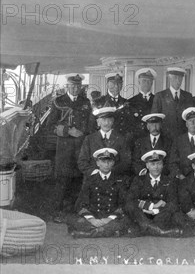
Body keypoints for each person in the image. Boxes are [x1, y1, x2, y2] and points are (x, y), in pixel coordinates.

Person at [46, 73, 94, 223]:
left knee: (78, 178)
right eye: (72, 85)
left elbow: (90, 123)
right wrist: (68, 131)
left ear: (81, 87)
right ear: (67, 86)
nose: (75, 88)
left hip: (81, 147)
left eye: (78, 86)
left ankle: (73, 211)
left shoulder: (85, 102)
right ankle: (56, 212)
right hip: (65, 148)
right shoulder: (58, 102)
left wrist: (86, 134)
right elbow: (50, 125)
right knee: (62, 179)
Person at [67, 148, 132, 238]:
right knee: (72, 219)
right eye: (103, 161)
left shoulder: (120, 181)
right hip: (94, 216)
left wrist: (108, 219)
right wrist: (92, 219)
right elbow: (81, 204)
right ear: (97, 163)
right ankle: (105, 231)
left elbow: (123, 204)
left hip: (111, 217)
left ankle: (89, 233)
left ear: (113, 163)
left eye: (109, 161)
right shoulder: (90, 180)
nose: (106, 164)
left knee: (126, 220)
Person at [126, 150, 185, 237]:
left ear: (163, 165)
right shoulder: (139, 180)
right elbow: (130, 200)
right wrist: (152, 206)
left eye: (159, 164)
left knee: (174, 210)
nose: (156, 167)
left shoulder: (169, 181)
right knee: (130, 206)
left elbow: (173, 203)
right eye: (152, 164)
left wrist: (155, 210)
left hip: (161, 215)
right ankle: (159, 231)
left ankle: (145, 228)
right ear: (147, 165)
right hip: (143, 214)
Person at [78, 107, 131, 177]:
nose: (106, 123)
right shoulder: (89, 139)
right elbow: (82, 162)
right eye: (104, 120)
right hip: (94, 178)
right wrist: (95, 172)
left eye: (109, 120)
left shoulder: (121, 139)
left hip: (115, 177)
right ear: (98, 122)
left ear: (113, 122)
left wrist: (111, 172)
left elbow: (126, 161)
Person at [151, 67, 194, 141]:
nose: (178, 81)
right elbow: (155, 120)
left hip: (183, 138)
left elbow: (190, 118)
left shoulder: (188, 96)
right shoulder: (160, 96)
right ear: (170, 79)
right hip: (165, 137)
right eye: (175, 78)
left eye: (180, 78)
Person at [93, 73, 129, 139]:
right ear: (107, 84)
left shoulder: (126, 102)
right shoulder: (98, 102)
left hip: (121, 140)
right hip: (103, 139)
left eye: (119, 83)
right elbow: (93, 124)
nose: (116, 86)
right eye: (113, 83)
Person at [127, 69, 156, 142]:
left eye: (149, 81)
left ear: (152, 83)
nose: (146, 83)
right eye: (144, 81)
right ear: (139, 82)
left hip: (152, 138)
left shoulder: (157, 100)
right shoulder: (131, 101)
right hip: (136, 139)